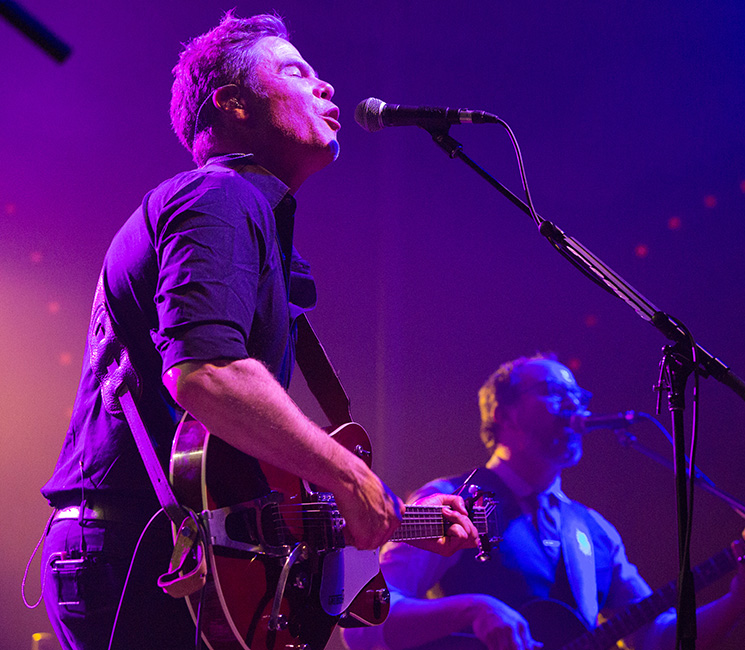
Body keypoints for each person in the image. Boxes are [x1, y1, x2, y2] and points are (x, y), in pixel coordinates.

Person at [38, 12, 476, 650]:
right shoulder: (219, 197)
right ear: (233, 105)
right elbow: (206, 373)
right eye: (296, 72)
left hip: (165, 551)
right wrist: (352, 479)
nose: (325, 87)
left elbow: (251, 480)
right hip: (143, 556)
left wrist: (398, 519)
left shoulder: (251, 217)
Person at [342, 354, 745, 650]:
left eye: (578, 396)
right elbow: (366, 621)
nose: (574, 404)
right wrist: (472, 609)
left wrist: (738, 598)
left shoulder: (595, 532)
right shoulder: (453, 500)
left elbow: (656, 639)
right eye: (552, 391)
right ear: (504, 414)